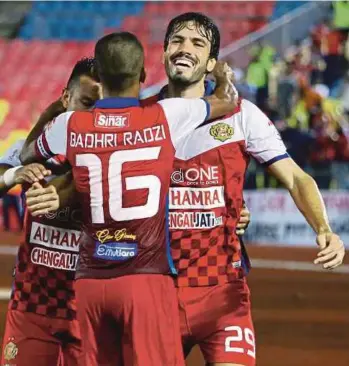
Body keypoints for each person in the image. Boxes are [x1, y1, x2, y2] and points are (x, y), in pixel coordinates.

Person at [20, 32, 240, 366]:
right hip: (145, 278)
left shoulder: (69, 123)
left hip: (91, 282)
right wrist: (222, 75)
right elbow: (227, 100)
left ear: (101, 79)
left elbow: (27, 153)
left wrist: (57, 105)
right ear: (142, 76)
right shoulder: (167, 115)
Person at [145, 12, 345, 366]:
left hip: (223, 291)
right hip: (154, 291)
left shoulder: (242, 114)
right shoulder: (142, 117)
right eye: (177, 40)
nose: (184, 48)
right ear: (163, 54)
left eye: (197, 43)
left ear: (210, 63)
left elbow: (297, 178)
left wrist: (324, 228)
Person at [0, 57, 101, 366]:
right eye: (85, 103)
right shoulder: (37, 149)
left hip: (88, 309)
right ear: (65, 97)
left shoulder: (111, 154)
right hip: (32, 305)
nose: (91, 114)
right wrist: (13, 176)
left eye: (99, 107)